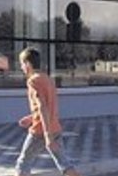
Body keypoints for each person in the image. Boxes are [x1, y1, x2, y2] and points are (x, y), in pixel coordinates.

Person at [14, 47, 81, 176]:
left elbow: (42, 107)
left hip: (40, 131)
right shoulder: (48, 79)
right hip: (55, 128)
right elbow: (48, 106)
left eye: (22, 64)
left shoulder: (33, 81)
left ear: (28, 64)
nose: (21, 67)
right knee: (64, 164)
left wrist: (47, 135)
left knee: (23, 163)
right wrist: (31, 117)